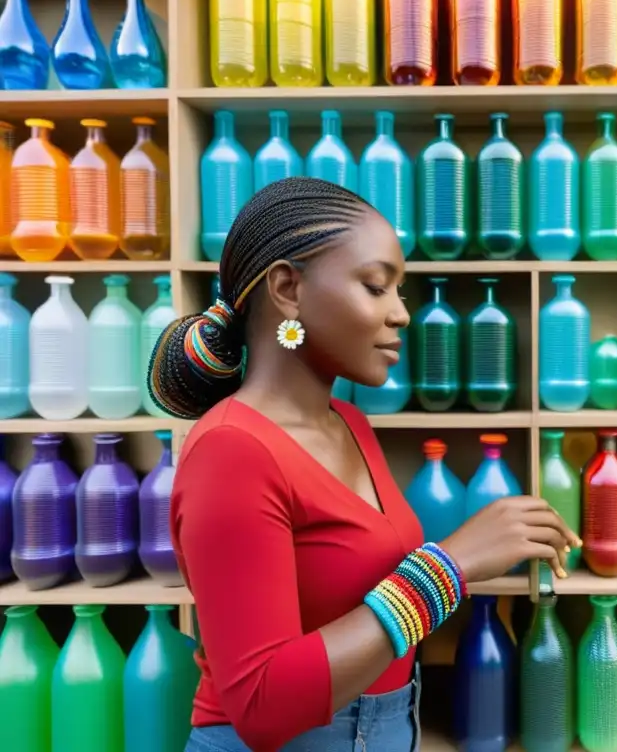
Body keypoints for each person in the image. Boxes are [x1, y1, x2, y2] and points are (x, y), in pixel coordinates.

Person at [149, 177, 580, 752]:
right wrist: (448, 567)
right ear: (288, 288)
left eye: (399, 291)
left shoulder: (350, 425)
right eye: (376, 286)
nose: (401, 314)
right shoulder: (232, 452)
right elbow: (262, 704)